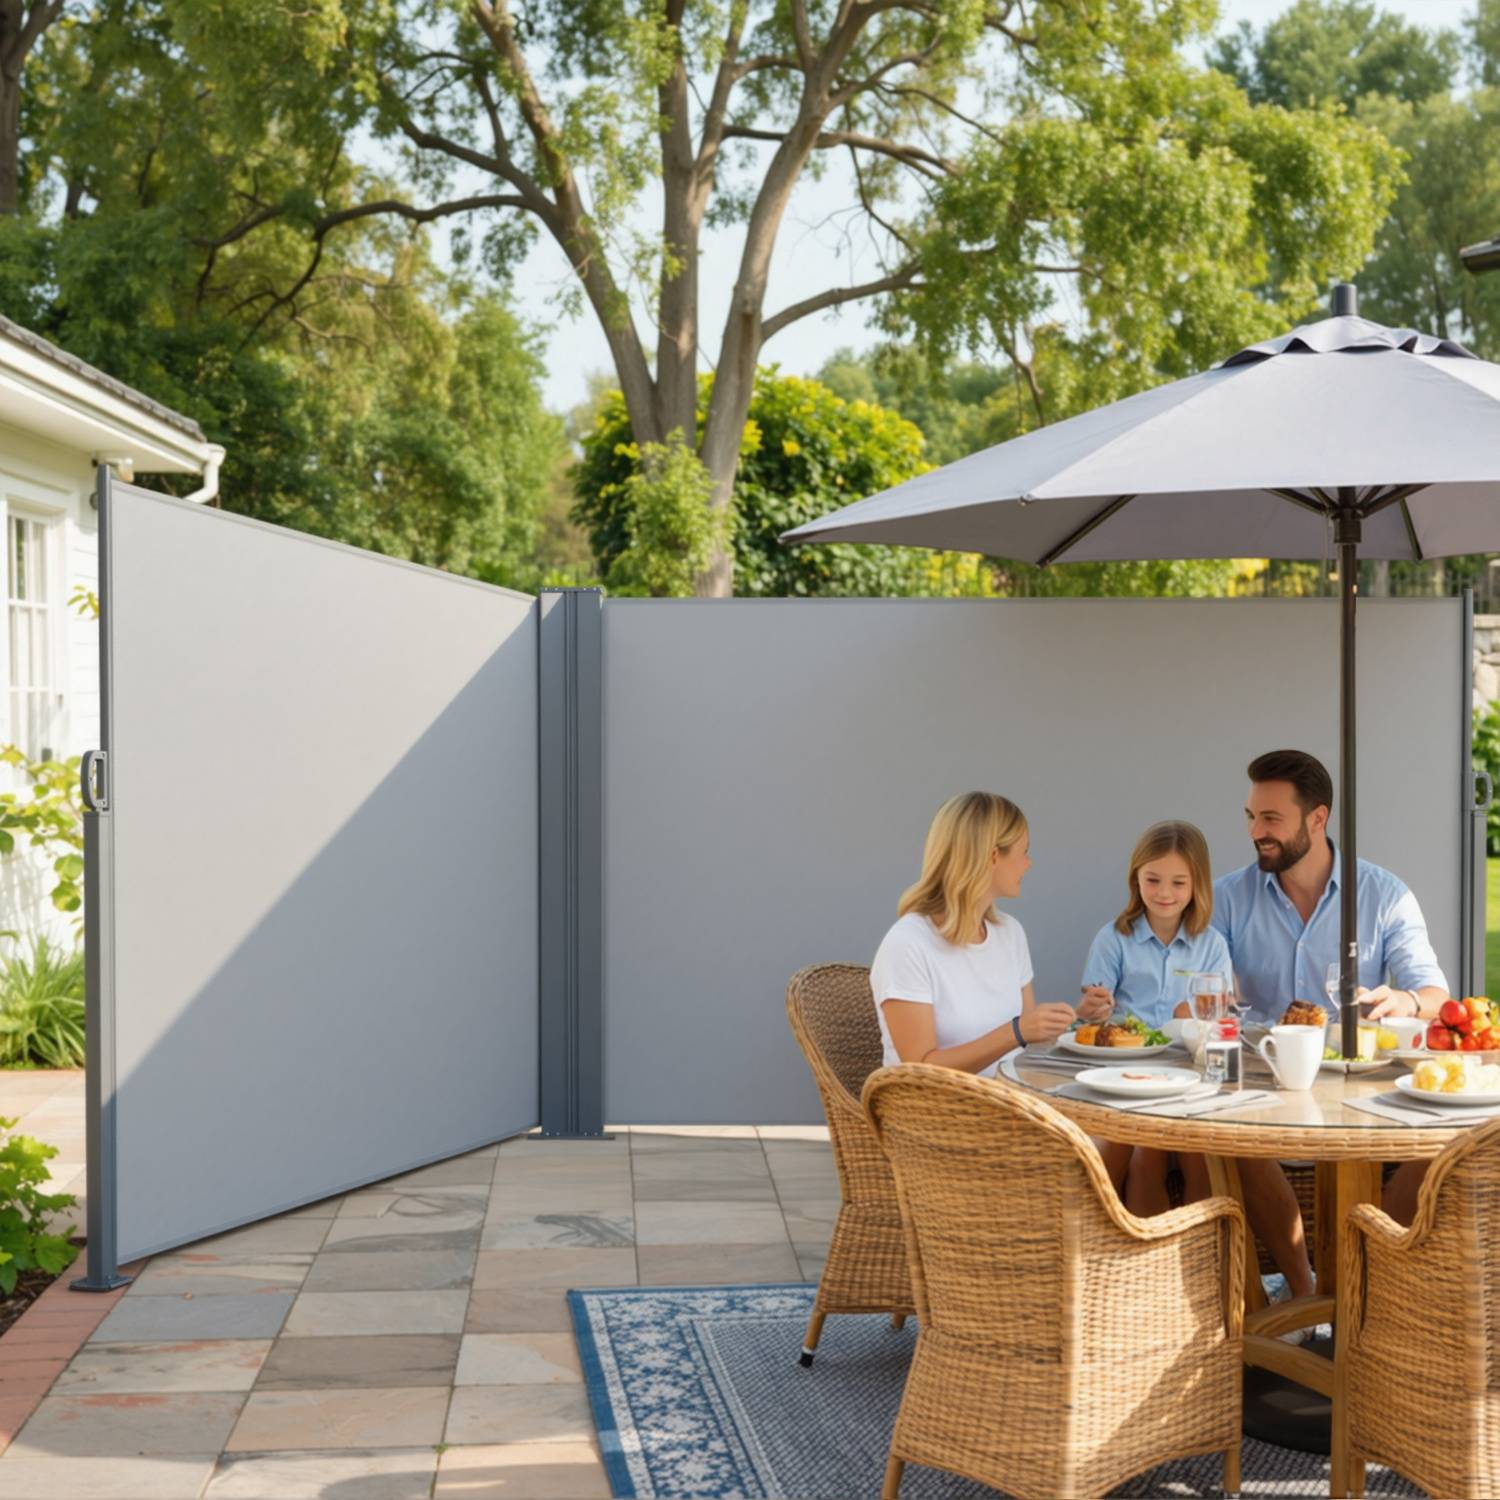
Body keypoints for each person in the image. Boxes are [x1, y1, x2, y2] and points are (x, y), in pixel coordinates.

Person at [1212, 749, 1449, 1280]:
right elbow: (1208, 997)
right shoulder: (1227, 899)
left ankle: (1363, 1282)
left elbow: (1435, 994)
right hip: (1262, 1091)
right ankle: (1303, 1291)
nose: (1256, 831)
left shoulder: (1383, 895)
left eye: (1271, 818)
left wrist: (1405, 1002)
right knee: (1232, 1140)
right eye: (1252, 817)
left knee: (1443, 1144)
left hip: (1357, 1092)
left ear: (1317, 819)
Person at [872, 791, 1110, 1079]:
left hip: (1008, 1101)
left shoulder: (1009, 934)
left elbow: (1026, 1043)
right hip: (933, 1114)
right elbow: (921, 1068)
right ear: (994, 856)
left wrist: (1078, 1019)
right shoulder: (908, 944)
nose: (1029, 864)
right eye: (1024, 851)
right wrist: (1016, 1031)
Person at [1080, 820, 1234, 1216]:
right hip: (1128, 1074)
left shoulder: (1211, 945)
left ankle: (1202, 1253)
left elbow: (1221, 1019)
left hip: (1190, 1075)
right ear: (1136, 879)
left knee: (1200, 1153)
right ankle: (1146, 1260)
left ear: (1197, 884)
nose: (1165, 893)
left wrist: (1202, 1017)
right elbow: (1093, 1018)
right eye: (1153, 880)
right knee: (1146, 1150)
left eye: (1179, 883)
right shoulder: (1114, 938)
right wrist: (1096, 1009)